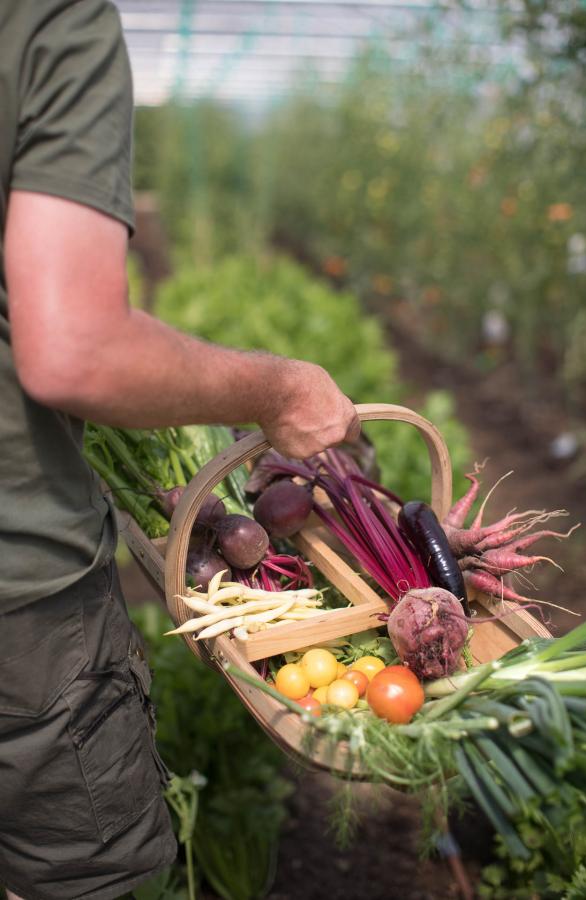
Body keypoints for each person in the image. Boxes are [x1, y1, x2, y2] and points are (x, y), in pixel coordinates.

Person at [0, 2, 360, 898]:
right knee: (95, 876)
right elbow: (76, 347)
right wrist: (278, 389)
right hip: (17, 598)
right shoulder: (50, 21)